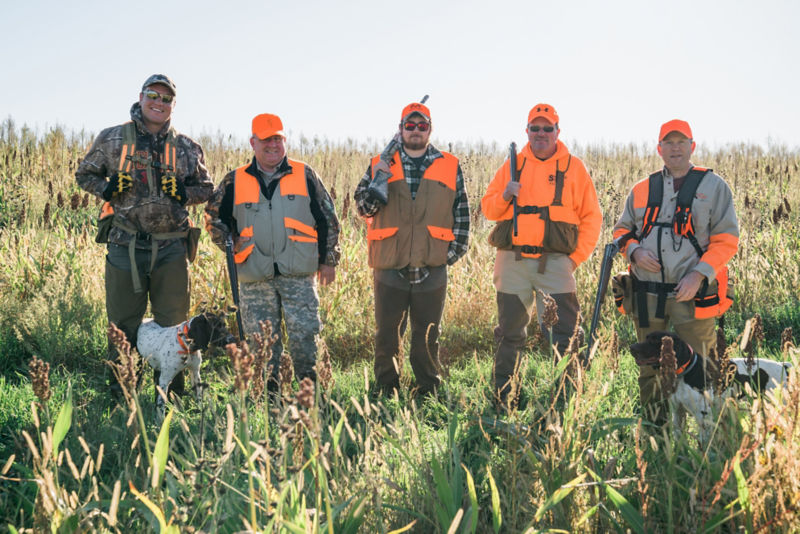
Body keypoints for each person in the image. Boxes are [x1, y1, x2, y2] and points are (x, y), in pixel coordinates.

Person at [76, 74, 214, 395]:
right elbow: (84, 175)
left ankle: (171, 397)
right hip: (125, 245)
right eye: (153, 95)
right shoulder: (112, 139)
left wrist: (183, 193)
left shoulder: (186, 147)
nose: (159, 103)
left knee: (174, 324)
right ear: (141, 97)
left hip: (171, 250)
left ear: (173, 106)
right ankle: (121, 396)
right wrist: (106, 187)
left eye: (167, 99)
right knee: (124, 325)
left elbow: (206, 188)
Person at [612, 119, 739, 425]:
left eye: (681, 142)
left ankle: (716, 435)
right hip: (646, 294)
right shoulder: (642, 189)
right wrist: (635, 251)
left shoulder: (714, 186)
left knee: (705, 365)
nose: (675, 148)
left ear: (692, 146)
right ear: (659, 149)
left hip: (692, 294)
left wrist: (699, 275)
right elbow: (621, 231)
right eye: (668, 142)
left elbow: (727, 240)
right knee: (651, 367)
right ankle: (658, 438)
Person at [204, 113, 340, 388]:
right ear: (253, 142)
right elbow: (211, 217)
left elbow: (328, 218)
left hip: (299, 274)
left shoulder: (305, 174)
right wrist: (229, 241)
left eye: (277, 139)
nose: (272, 145)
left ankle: (310, 396)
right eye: (266, 140)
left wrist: (329, 260)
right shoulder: (235, 180)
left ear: (284, 141)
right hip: (254, 275)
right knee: (261, 345)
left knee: (305, 337)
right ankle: (268, 400)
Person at [481, 103, 602, 405]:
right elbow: (488, 208)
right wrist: (506, 194)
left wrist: (575, 260)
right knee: (509, 332)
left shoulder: (574, 167)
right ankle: (503, 398)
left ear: (558, 132)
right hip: (513, 261)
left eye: (548, 128)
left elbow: (592, 218)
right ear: (527, 131)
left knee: (565, 334)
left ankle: (567, 399)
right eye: (535, 128)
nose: (541, 133)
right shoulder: (512, 164)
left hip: (556, 262)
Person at [354, 102, 470, 397]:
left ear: (430, 129)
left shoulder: (449, 164)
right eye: (410, 125)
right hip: (389, 264)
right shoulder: (380, 162)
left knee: (428, 335)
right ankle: (386, 391)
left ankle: (427, 390)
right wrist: (377, 179)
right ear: (400, 128)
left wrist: (447, 256)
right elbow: (363, 209)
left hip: (431, 266)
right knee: (387, 335)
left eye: (422, 126)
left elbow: (462, 214)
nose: (416, 131)